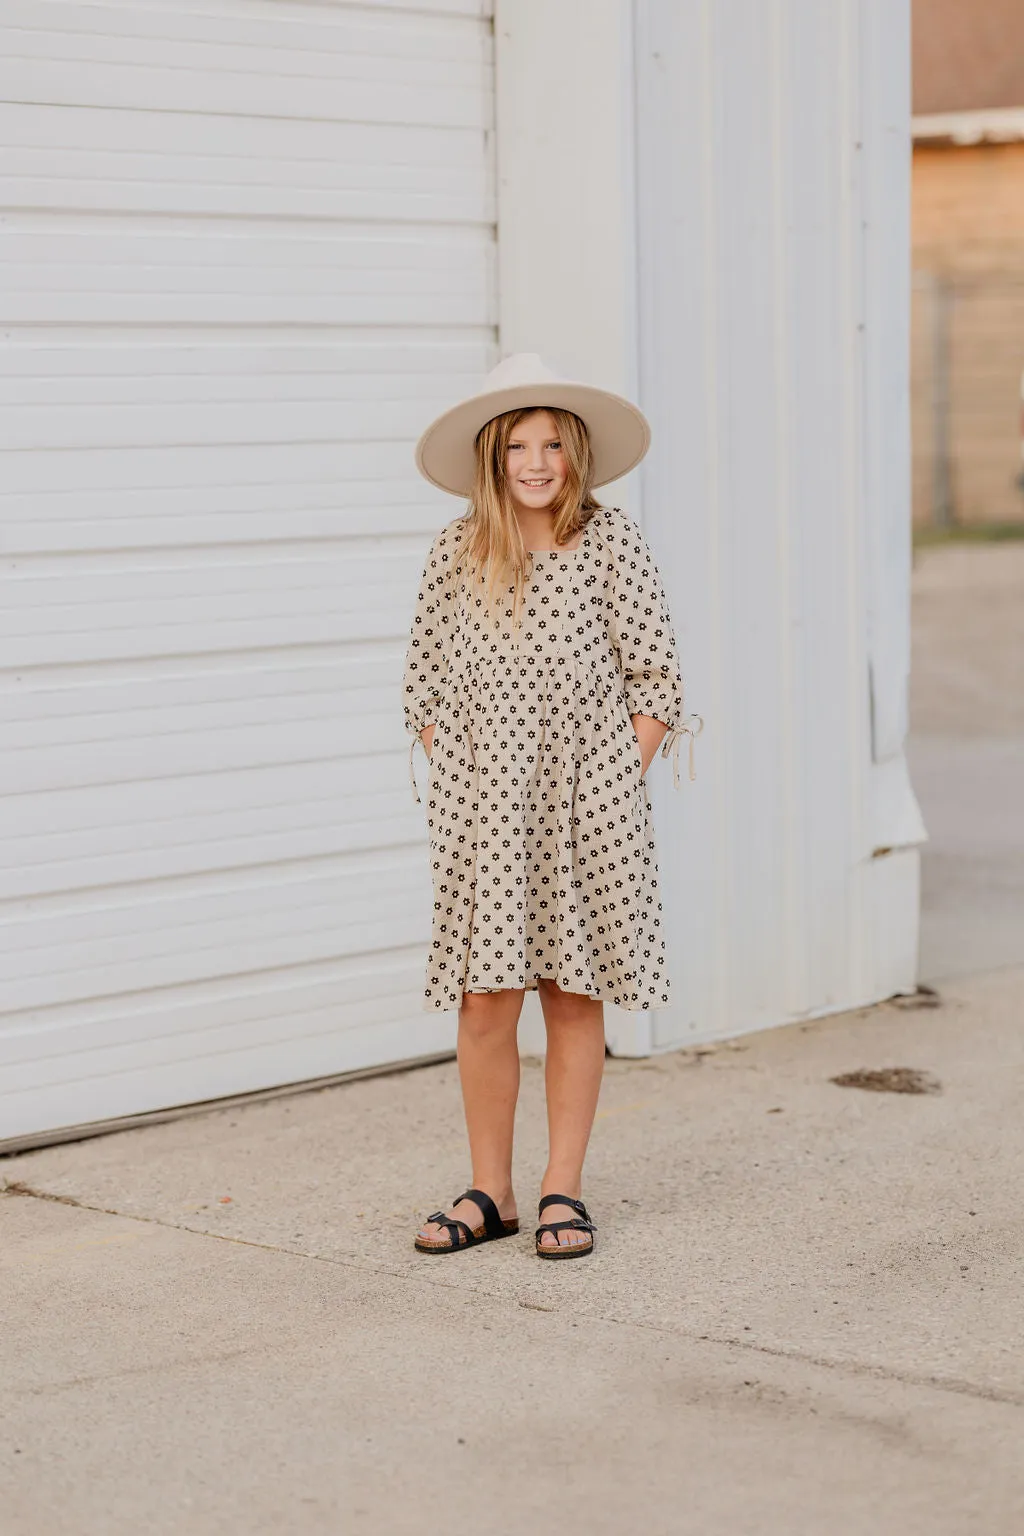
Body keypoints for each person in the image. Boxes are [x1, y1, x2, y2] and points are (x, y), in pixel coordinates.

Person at [402, 353, 697, 1260]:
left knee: (574, 996)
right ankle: (491, 1190)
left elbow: (656, 680)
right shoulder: (458, 552)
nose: (536, 463)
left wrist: (615, 778)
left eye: (554, 446)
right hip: (487, 816)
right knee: (487, 1000)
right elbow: (422, 687)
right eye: (519, 446)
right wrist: (462, 783)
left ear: (577, 457)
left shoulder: (613, 544)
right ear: (493, 460)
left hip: (590, 810)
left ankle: (561, 1186)